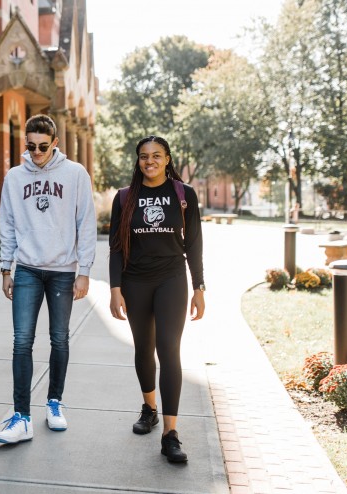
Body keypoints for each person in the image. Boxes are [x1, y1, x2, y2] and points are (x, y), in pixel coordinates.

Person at [0, 114, 97, 444]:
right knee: (22, 340)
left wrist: (84, 271)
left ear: (55, 143)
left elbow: (87, 223)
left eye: (42, 146)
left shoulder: (75, 174)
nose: (36, 152)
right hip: (26, 268)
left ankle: (54, 403)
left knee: (59, 338)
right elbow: (7, 225)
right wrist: (6, 269)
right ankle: (21, 416)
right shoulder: (13, 177)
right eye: (30, 146)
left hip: (63, 271)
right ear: (25, 143)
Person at [108, 136, 205, 463]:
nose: (149, 161)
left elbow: (193, 244)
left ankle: (170, 433)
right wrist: (114, 288)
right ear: (137, 161)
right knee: (143, 348)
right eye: (143, 157)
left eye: (156, 156)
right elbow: (116, 247)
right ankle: (149, 408)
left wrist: (199, 287)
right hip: (135, 282)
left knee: (168, 349)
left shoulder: (184, 194)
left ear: (167, 159)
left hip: (171, 279)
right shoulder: (124, 198)